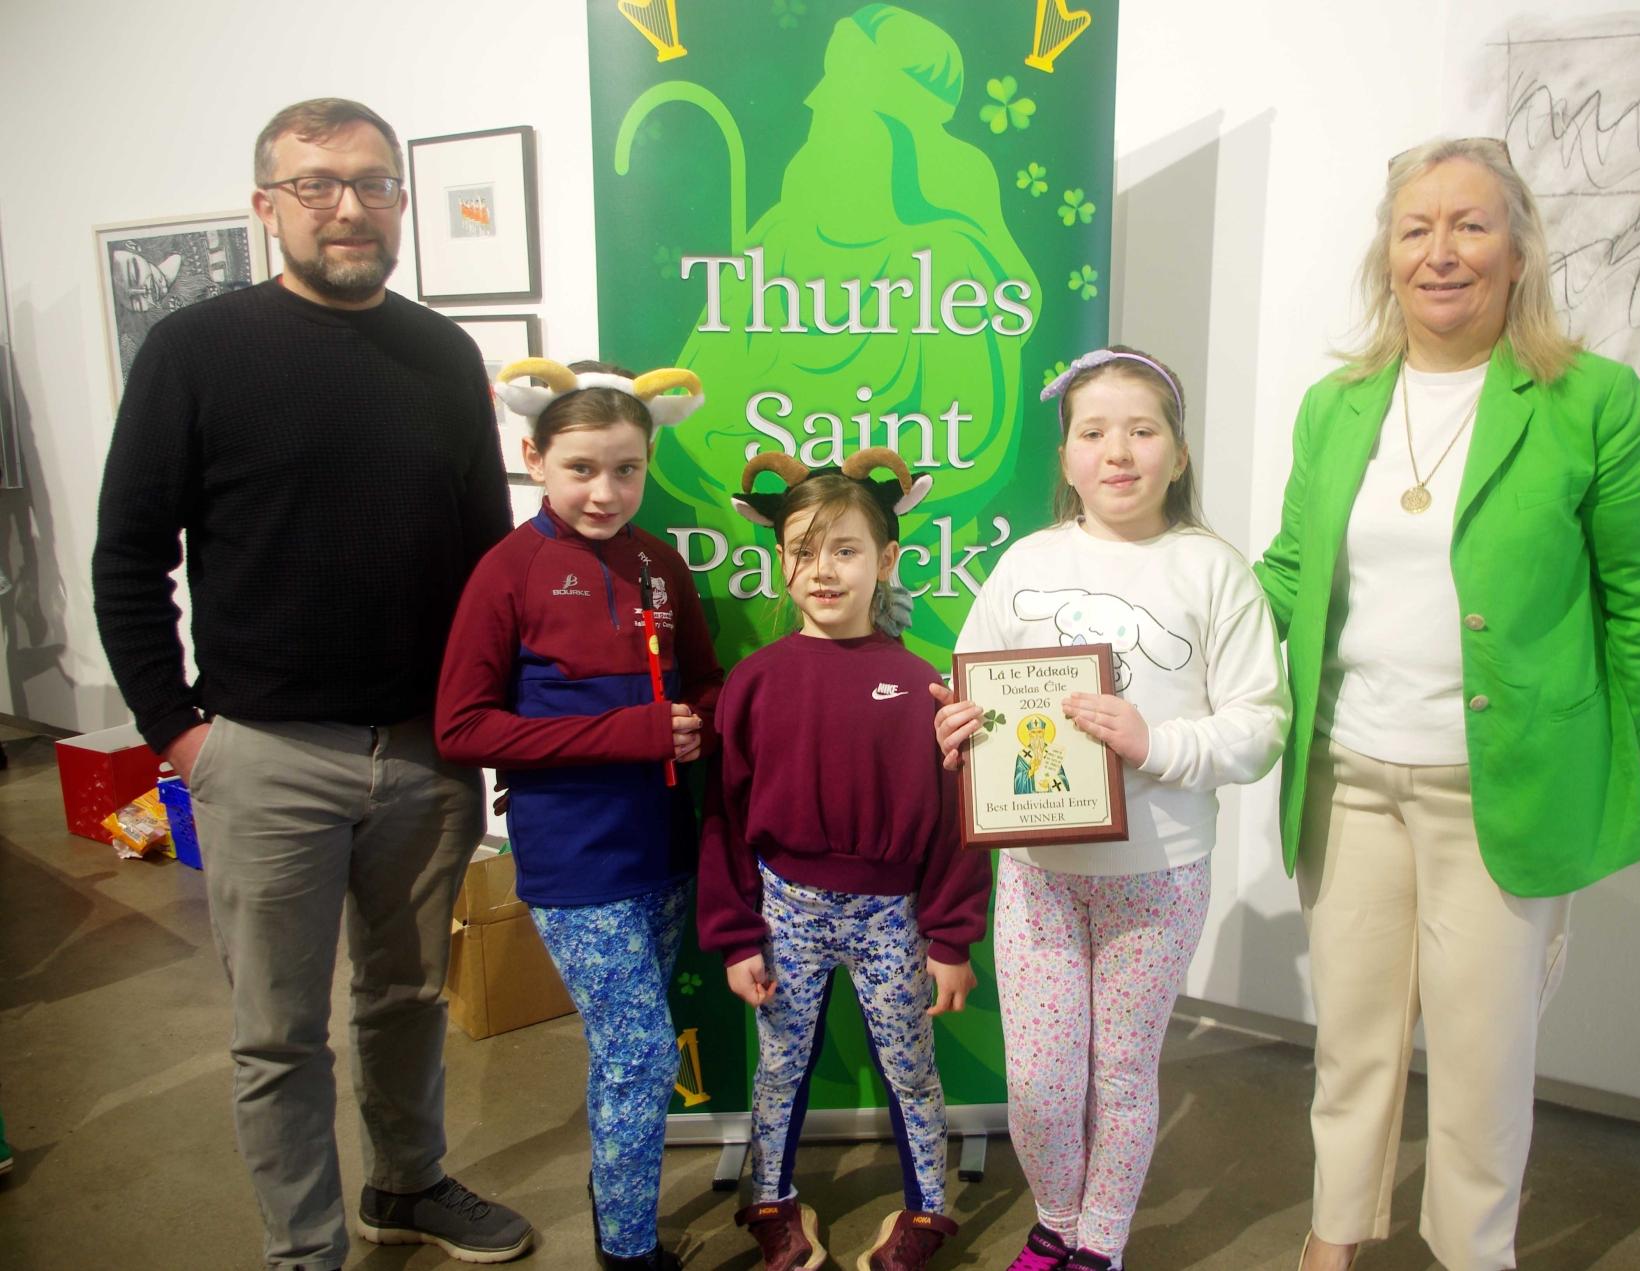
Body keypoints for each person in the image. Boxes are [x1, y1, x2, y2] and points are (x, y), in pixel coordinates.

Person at [92, 98, 528, 1269]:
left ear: (400, 201)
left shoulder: (441, 354)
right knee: (278, 1034)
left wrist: (486, 725)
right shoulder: (196, 349)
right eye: (317, 184)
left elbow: (483, 561)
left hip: (424, 749)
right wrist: (177, 731)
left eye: (373, 183)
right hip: (263, 753)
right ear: (266, 205)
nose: (348, 207)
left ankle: (407, 1182)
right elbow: (129, 556)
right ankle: (306, 1249)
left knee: (407, 997)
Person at [1256, 138, 1640, 1271]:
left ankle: (1474, 1253)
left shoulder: (1592, 400)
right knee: (1351, 1045)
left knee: (1485, 1063)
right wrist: (1161, 623)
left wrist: (1607, 756)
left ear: (1519, 250)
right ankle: (1332, 1237)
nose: (1440, 251)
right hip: (1347, 775)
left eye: (1470, 224)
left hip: (1503, 786)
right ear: (1387, 254)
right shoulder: (1337, 404)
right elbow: (1290, 572)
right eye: (1417, 228)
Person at [933, 346, 1288, 1271]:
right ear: (1066, 456)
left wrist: (1154, 742)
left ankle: (1098, 1245)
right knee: (1041, 1081)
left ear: (1179, 451)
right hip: (1038, 872)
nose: (1118, 452)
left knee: (1122, 1072)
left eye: (1142, 430)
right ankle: (1056, 1217)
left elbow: (1260, 726)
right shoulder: (1027, 561)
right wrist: (958, 726)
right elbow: (970, 684)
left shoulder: (1214, 570)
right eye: (1093, 432)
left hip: (1158, 872)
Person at [436, 358, 721, 1270]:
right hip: (575, 855)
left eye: (626, 469)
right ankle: (629, 1249)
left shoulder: (659, 562)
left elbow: (704, 682)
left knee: (625, 1049)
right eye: (581, 469)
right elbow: (462, 726)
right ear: (534, 460)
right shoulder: (507, 571)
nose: (605, 492)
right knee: (641, 1052)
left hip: (664, 844)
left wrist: (702, 724)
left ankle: (618, 1206)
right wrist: (633, 733)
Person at [699, 448, 990, 1271]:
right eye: (803, 549)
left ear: (886, 559)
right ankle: (774, 1203)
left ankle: (925, 1210)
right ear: (779, 558)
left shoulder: (922, 684)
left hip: (891, 915)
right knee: (780, 1065)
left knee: (911, 1067)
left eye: (846, 549)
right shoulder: (752, 682)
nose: (823, 569)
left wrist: (950, 937)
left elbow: (955, 824)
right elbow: (724, 817)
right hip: (784, 910)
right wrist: (736, 934)